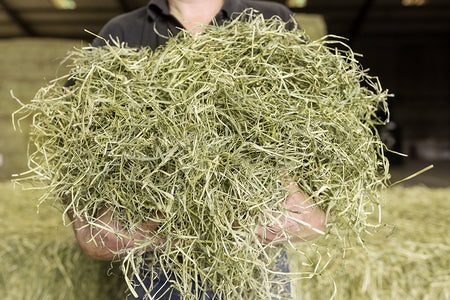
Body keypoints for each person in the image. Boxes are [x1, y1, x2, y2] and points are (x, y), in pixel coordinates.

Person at [68, 0, 326, 299]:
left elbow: (317, 119)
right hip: (158, 263)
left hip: (254, 259)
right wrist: (87, 226)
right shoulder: (123, 31)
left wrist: (308, 205)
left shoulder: (271, 19)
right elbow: (70, 133)